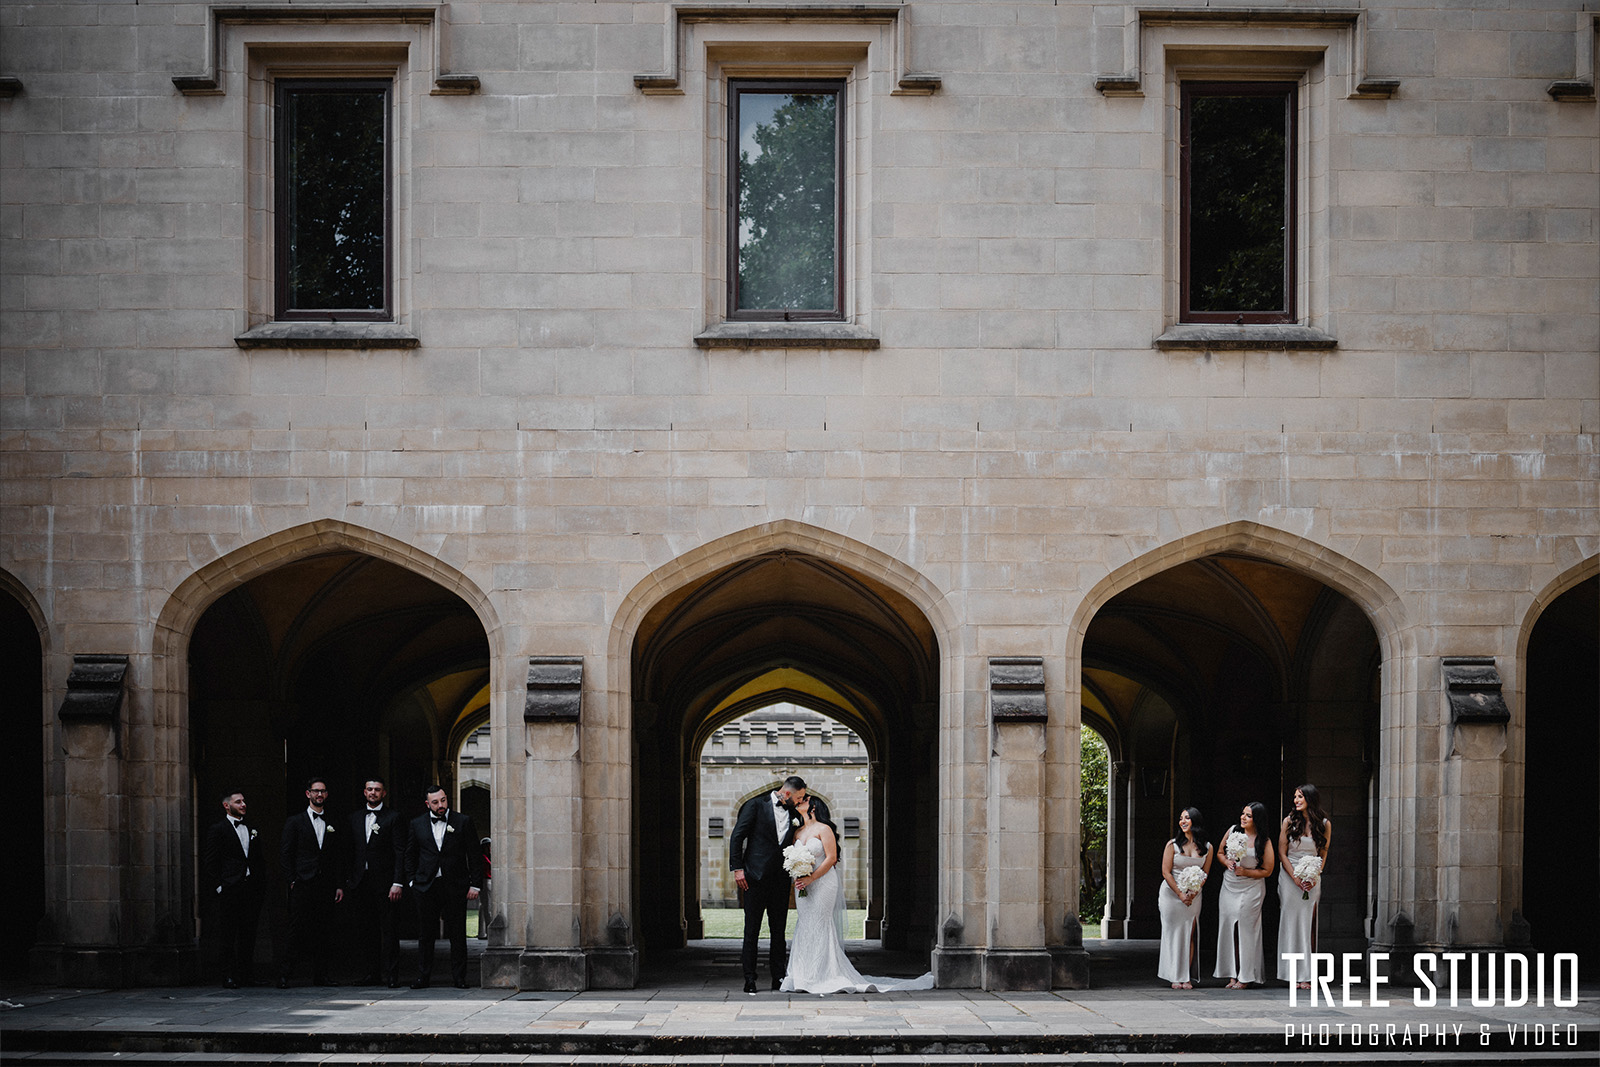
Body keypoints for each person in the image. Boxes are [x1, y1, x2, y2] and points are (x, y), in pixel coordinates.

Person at [780, 796, 933, 994]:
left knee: (820, 922)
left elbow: (831, 858)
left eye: (805, 799)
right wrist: (798, 875)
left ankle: (822, 974)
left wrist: (812, 878)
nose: (800, 801)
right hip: (803, 884)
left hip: (824, 882)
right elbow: (793, 857)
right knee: (805, 922)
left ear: (814, 806)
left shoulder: (824, 829)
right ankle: (802, 974)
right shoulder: (797, 832)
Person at [728, 775, 806, 994]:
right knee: (751, 931)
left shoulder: (794, 814)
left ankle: (778, 977)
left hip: (780, 881)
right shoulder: (754, 805)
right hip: (753, 879)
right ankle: (749, 979)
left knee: (778, 932)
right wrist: (738, 868)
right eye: (798, 797)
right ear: (788, 793)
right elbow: (737, 836)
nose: (800, 802)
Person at [403, 785, 484, 989]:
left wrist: (475, 884)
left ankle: (459, 977)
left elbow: (474, 855)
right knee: (426, 934)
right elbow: (410, 855)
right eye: (436, 802)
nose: (441, 805)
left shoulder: (463, 821)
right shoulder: (417, 824)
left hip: (455, 886)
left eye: (443, 800)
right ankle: (423, 976)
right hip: (426, 886)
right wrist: (412, 881)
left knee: (457, 934)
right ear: (427, 804)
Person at [279, 777, 344, 987]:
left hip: (325, 884)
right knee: (295, 930)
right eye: (316, 791)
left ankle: (321, 975)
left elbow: (337, 856)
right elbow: (286, 854)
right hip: (302, 883)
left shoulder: (333, 821)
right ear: (308, 794)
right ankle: (285, 974)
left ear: (327, 794)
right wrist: (292, 880)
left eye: (323, 791)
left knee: (324, 931)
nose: (319, 795)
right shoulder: (295, 822)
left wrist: (339, 884)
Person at [346, 777, 404, 987]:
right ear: (364, 792)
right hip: (361, 883)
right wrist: (348, 881)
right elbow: (349, 851)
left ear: (383, 793)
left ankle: (391, 975)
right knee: (366, 931)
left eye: (377, 790)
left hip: (386, 884)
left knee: (389, 930)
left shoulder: (393, 817)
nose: (373, 793)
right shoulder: (354, 818)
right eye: (369, 789)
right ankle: (371, 974)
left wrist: (397, 882)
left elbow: (399, 852)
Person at [202, 789, 263, 988]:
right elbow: (210, 862)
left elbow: (257, 859)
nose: (243, 804)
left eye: (244, 801)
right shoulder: (218, 829)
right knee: (228, 934)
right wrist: (220, 887)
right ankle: (227, 975)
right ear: (227, 806)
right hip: (230, 888)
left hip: (250, 889)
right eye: (238, 802)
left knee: (248, 934)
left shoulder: (252, 827)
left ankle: (246, 974)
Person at [1214, 801, 1275, 988]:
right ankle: (1231, 973)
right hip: (1230, 885)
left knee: (1246, 930)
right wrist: (1227, 863)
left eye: (1248, 815)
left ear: (1257, 819)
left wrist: (1246, 872)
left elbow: (1268, 870)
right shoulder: (1233, 831)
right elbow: (1219, 852)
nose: (1243, 818)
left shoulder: (1263, 840)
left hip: (1252, 887)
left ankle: (1246, 975)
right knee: (1228, 928)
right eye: (1243, 814)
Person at [1277, 783, 1332, 989]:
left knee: (1308, 924)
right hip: (1290, 877)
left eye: (1300, 796)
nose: (1296, 800)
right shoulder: (1289, 822)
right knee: (1290, 923)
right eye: (1295, 796)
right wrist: (1295, 878)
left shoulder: (1324, 824)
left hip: (1312, 877)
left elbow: (1323, 853)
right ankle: (1290, 972)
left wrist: (1314, 875)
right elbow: (1282, 852)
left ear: (1310, 799)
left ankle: (1306, 975)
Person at [1157, 806, 1212, 989]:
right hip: (1171, 895)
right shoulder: (1172, 845)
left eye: (1187, 818)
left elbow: (1205, 873)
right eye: (1181, 818)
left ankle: (1185, 976)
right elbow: (1166, 872)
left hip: (1194, 896)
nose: (1183, 821)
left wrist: (1193, 893)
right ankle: (1174, 975)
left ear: (1195, 821)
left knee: (1189, 934)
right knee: (1173, 934)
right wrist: (1180, 894)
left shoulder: (1207, 847)